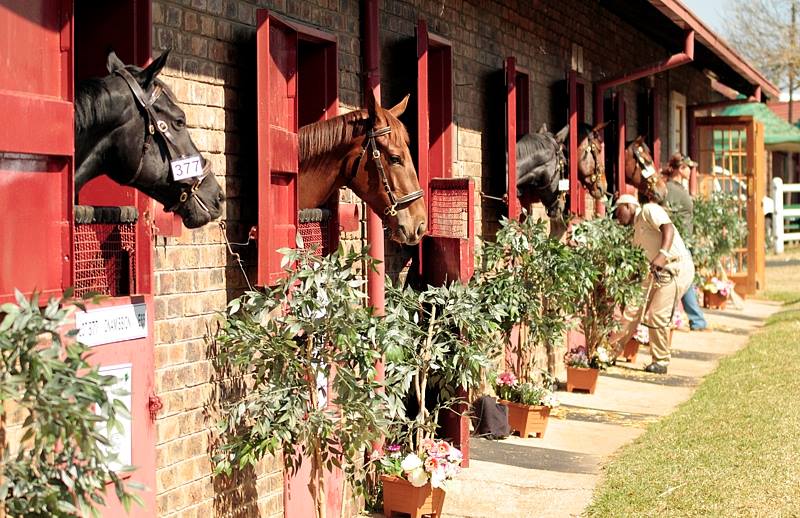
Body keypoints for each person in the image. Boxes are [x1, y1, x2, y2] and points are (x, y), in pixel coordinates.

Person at [612, 194, 695, 374]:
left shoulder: (649, 210)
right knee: (632, 310)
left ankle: (661, 361)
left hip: (675, 266)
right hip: (656, 271)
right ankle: (609, 353)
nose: (616, 217)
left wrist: (663, 255)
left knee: (657, 314)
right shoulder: (635, 230)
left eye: (617, 212)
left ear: (628, 206)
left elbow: (668, 228)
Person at [663, 152, 708, 331]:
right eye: (688, 167)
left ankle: (695, 320)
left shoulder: (679, 187)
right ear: (680, 169)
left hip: (685, 240)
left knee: (686, 279)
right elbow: (668, 214)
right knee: (686, 279)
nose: (690, 170)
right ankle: (697, 320)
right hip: (679, 242)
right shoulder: (671, 189)